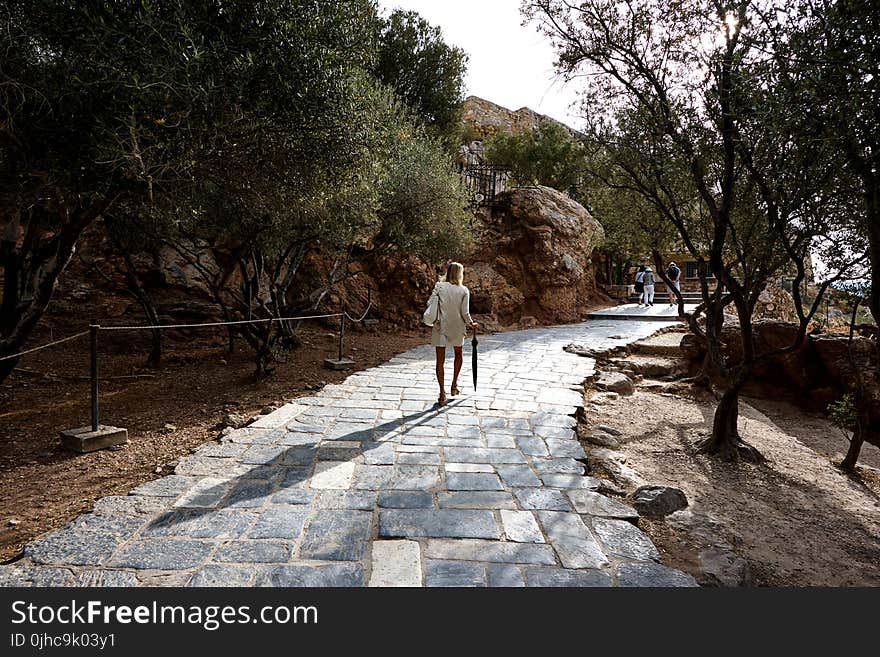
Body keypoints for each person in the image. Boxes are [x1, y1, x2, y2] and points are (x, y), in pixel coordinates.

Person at [427, 261, 477, 406]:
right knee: (458, 355)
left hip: (440, 326)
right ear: (460, 274)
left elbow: (430, 303)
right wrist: (471, 324)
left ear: (448, 272)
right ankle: (454, 385)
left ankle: (442, 393)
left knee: (440, 361)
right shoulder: (464, 290)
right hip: (457, 327)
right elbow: (465, 312)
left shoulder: (439, 286)